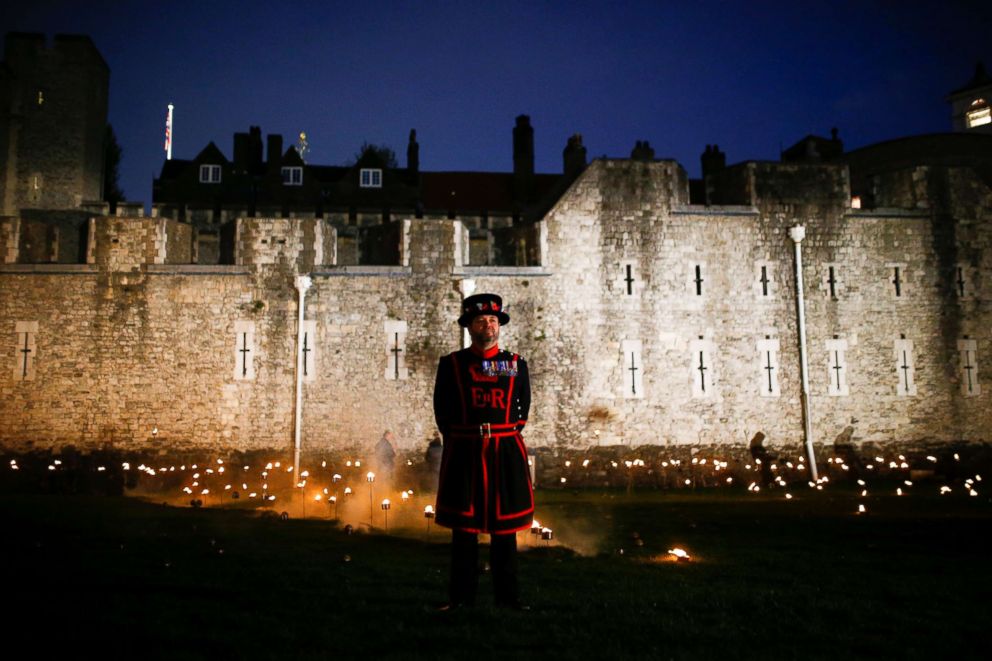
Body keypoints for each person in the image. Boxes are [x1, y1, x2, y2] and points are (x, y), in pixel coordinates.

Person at [432, 293, 533, 610]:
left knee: (505, 533)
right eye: (480, 320)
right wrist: (464, 439)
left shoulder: (514, 364)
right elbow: (442, 411)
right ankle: (460, 600)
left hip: (503, 453)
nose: (487, 325)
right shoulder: (452, 364)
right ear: (470, 326)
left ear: (498, 325)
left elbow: (522, 409)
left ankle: (509, 599)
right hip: (465, 454)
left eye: (492, 320)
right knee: (464, 532)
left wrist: (501, 434)